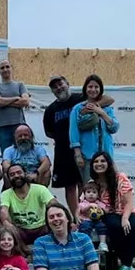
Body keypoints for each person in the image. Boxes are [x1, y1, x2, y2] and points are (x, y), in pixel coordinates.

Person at [44, 75, 113, 212]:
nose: (59, 88)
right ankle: (76, 216)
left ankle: (89, 212)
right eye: (55, 87)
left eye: (60, 84)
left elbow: (109, 99)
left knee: (86, 183)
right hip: (63, 152)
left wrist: (92, 107)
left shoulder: (80, 99)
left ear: (68, 84)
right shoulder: (50, 110)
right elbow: (49, 132)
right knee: (69, 186)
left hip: (83, 150)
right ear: (52, 91)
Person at [90, 151, 135, 270]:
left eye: (102, 161)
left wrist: (125, 218)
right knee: (114, 225)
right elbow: (85, 201)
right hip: (109, 214)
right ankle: (126, 265)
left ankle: (125, 265)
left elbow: (129, 201)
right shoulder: (93, 183)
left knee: (134, 225)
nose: (99, 164)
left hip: (127, 211)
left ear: (108, 163)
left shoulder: (120, 177)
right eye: (96, 162)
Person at [70, 74, 119, 183]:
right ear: (85, 89)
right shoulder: (78, 109)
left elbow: (114, 127)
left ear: (100, 89)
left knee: (110, 187)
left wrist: (101, 112)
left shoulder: (107, 109)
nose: (93, 89)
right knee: (90, 188)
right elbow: (74, 133)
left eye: (96, 87)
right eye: (90, 87)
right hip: (87, 156)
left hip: (106, 156)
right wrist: (78, 155)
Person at [0, 163, 56, 246]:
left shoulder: (40, 189)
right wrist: (6, 222)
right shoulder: (6, 194)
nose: (16, 176)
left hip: (42, 229)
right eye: (12, 174)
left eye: (19, 172)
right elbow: (4, 210)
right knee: (5, 229)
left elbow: (53, 204)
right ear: (9, 179)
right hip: (20, 231)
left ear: (25, 174)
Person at [0, 59, 30, 152]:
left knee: (23, 153)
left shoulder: (20, 85)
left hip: (19, 125)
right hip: (3, 127)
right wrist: (16, 98)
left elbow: (25, 101)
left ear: (11, 68)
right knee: (6, 155)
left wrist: (4, 101)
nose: (5, 69)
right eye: (2, 68)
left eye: (7, 67)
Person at [77, 180, 109, 252]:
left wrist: (100, 208)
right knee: (85, 226)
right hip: (86, 220)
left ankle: (103, 243)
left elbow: (106, 210)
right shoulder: (83, 203)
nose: (91, 194)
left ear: (98, 195)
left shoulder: (98, 202)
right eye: (88, 192)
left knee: (102, 226)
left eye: (94, 192)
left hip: (97, 220)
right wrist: (89, 206)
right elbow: (82, 209)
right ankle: (86, 243)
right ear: (84, 194)